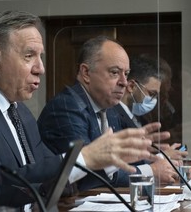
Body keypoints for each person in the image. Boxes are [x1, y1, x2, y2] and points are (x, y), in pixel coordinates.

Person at [0, 11, 168, 212]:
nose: (41, 69)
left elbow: (50, 174)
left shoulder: (19, 112)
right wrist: (86, 158)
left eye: (41, 57)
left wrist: (108, 160)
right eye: (29, 56)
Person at [37, 36, 170, 190]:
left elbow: (122, 161)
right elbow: (87, 174)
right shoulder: (67, 107)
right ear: (86, 72)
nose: (124, 82)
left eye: (126, 74)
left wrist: (157, 159)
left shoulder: (110, 110)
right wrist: (151, 171)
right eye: (114, 72)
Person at [112, 54, 188, 184]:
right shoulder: (112, 115)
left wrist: (162, 155)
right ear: (131, 86)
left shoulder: (141, 118)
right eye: (152, 94)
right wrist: (161, 158)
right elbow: (117, 169)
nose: (154, 101)